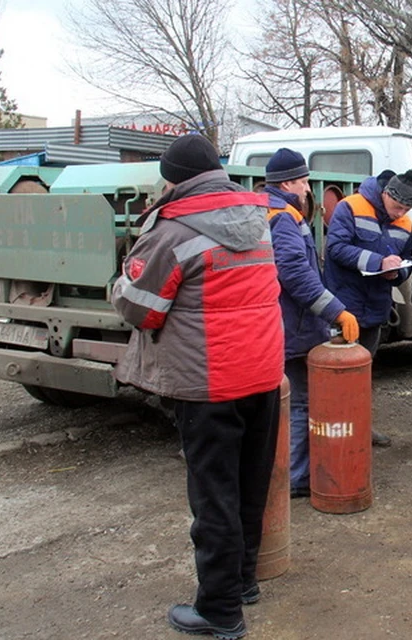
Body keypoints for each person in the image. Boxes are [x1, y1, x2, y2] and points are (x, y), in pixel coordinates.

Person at [111, 134, 284, 639]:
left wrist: (119, 283)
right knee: (250, 484)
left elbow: (141, 307)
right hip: (263, 372)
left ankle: (220, 610)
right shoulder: (258, 218)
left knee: (214, 496)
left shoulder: (173, 227)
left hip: (209, 382)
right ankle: (243, 581)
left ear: (174, 177)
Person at [264, 148, 360, 498]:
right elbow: (294, 272)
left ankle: (282, 471)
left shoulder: (265, 210)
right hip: (294, 327)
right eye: (304, 181)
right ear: (288, 182)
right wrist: (335, 311)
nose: (308, 189)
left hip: (279, 323)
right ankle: (295, 478)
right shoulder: (284, 218)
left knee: (281, 402)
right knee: (300, 402)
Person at [324, 169, 412, 447]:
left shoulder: (405, 223)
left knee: (364, 372)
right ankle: (333, 429)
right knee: (336, 372)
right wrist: (378, 262)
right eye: (397, 206)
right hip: (344, 306)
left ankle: (360, 426)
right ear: (385, 193)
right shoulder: (350, 207)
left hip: (375, 308)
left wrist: (397, 273)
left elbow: (405, 260)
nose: (398, 213)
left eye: (405, 209)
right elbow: (336, 248)